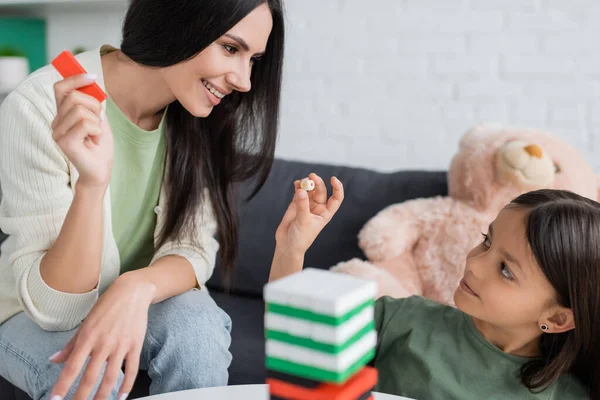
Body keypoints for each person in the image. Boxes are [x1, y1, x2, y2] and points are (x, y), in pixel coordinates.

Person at [0, 0, 284, 399]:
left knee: (198, 323)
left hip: (138, 304)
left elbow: (195, 248)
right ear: (178, 20)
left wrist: (136, 287)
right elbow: (55, 311)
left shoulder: (198, 116)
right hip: (27, 314)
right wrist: (91, 184)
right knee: (92, 378)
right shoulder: (39, 106)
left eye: (253, 59)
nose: (244, 81)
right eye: (230, 48)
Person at [270, 180, 599, 399]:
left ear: (557, 319)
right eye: (487, 241)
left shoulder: (567, 396)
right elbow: (296, 340)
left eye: (505, 270)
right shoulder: (403, 319)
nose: (473, 263)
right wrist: (290, 250)